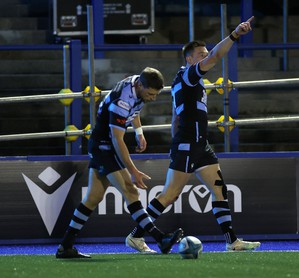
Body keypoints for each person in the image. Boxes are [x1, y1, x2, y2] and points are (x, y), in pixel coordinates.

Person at [125, 17, 261, 253]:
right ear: (189, 59)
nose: (205, 57)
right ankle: (135, 236)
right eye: (201, 54)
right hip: (188, 144)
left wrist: (175, 142)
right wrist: (235, 35)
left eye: (204, 53)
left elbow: (176, 117)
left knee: (219, 190)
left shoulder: (189, 82)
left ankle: (232, 241)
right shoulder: (188, 76)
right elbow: (216, 57)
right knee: (169, 195)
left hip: (199, 145)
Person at [56, 67, 183, 259]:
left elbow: (136, 108)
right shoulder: (121, 101)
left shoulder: (136, 83)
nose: (153, 98)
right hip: (104, 146)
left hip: (103, 145)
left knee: (92, 198)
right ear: (140, 85)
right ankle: (159, 238)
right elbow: (117, 140)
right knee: (130, 190)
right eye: (150, 94)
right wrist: (133, 170)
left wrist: (139, 132)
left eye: (155, 95)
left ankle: (65, 247)